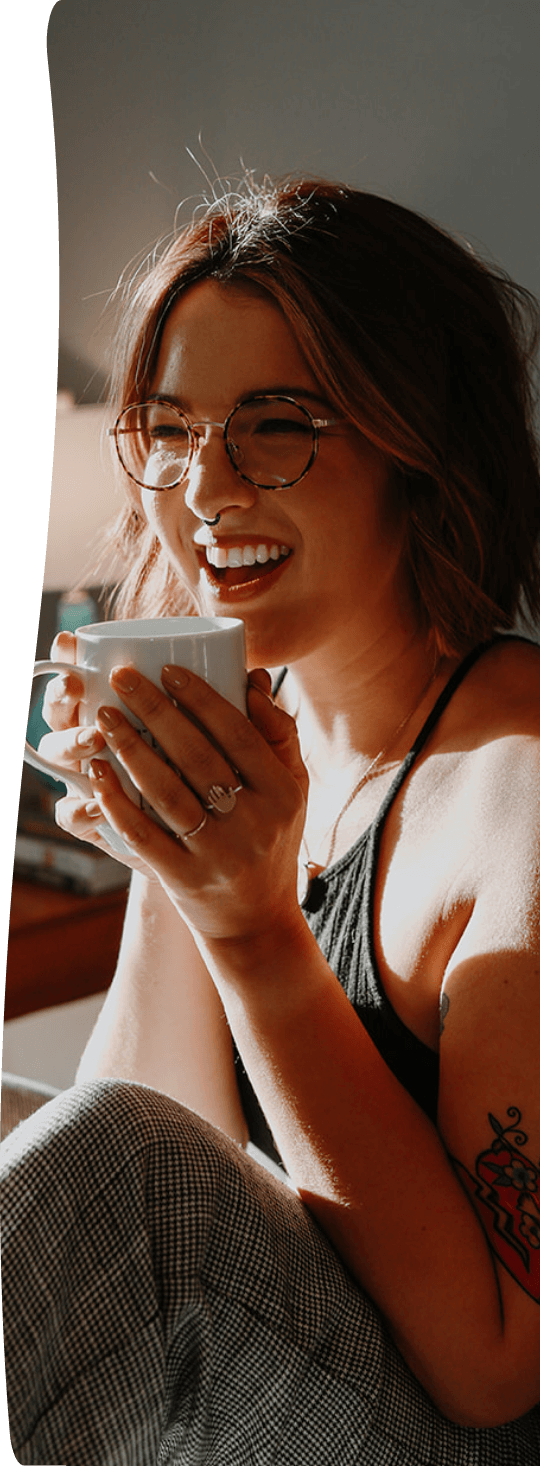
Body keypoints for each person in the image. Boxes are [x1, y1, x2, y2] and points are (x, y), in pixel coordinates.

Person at [2, 175, 540, 1465]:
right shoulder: (264, 708)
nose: (206, 488)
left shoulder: (516, 792)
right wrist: (176, 859)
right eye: (174, 429)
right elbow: (149, 1210)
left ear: (420, 442)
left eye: (278, 426)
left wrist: (253, 929)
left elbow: (496, 1372)